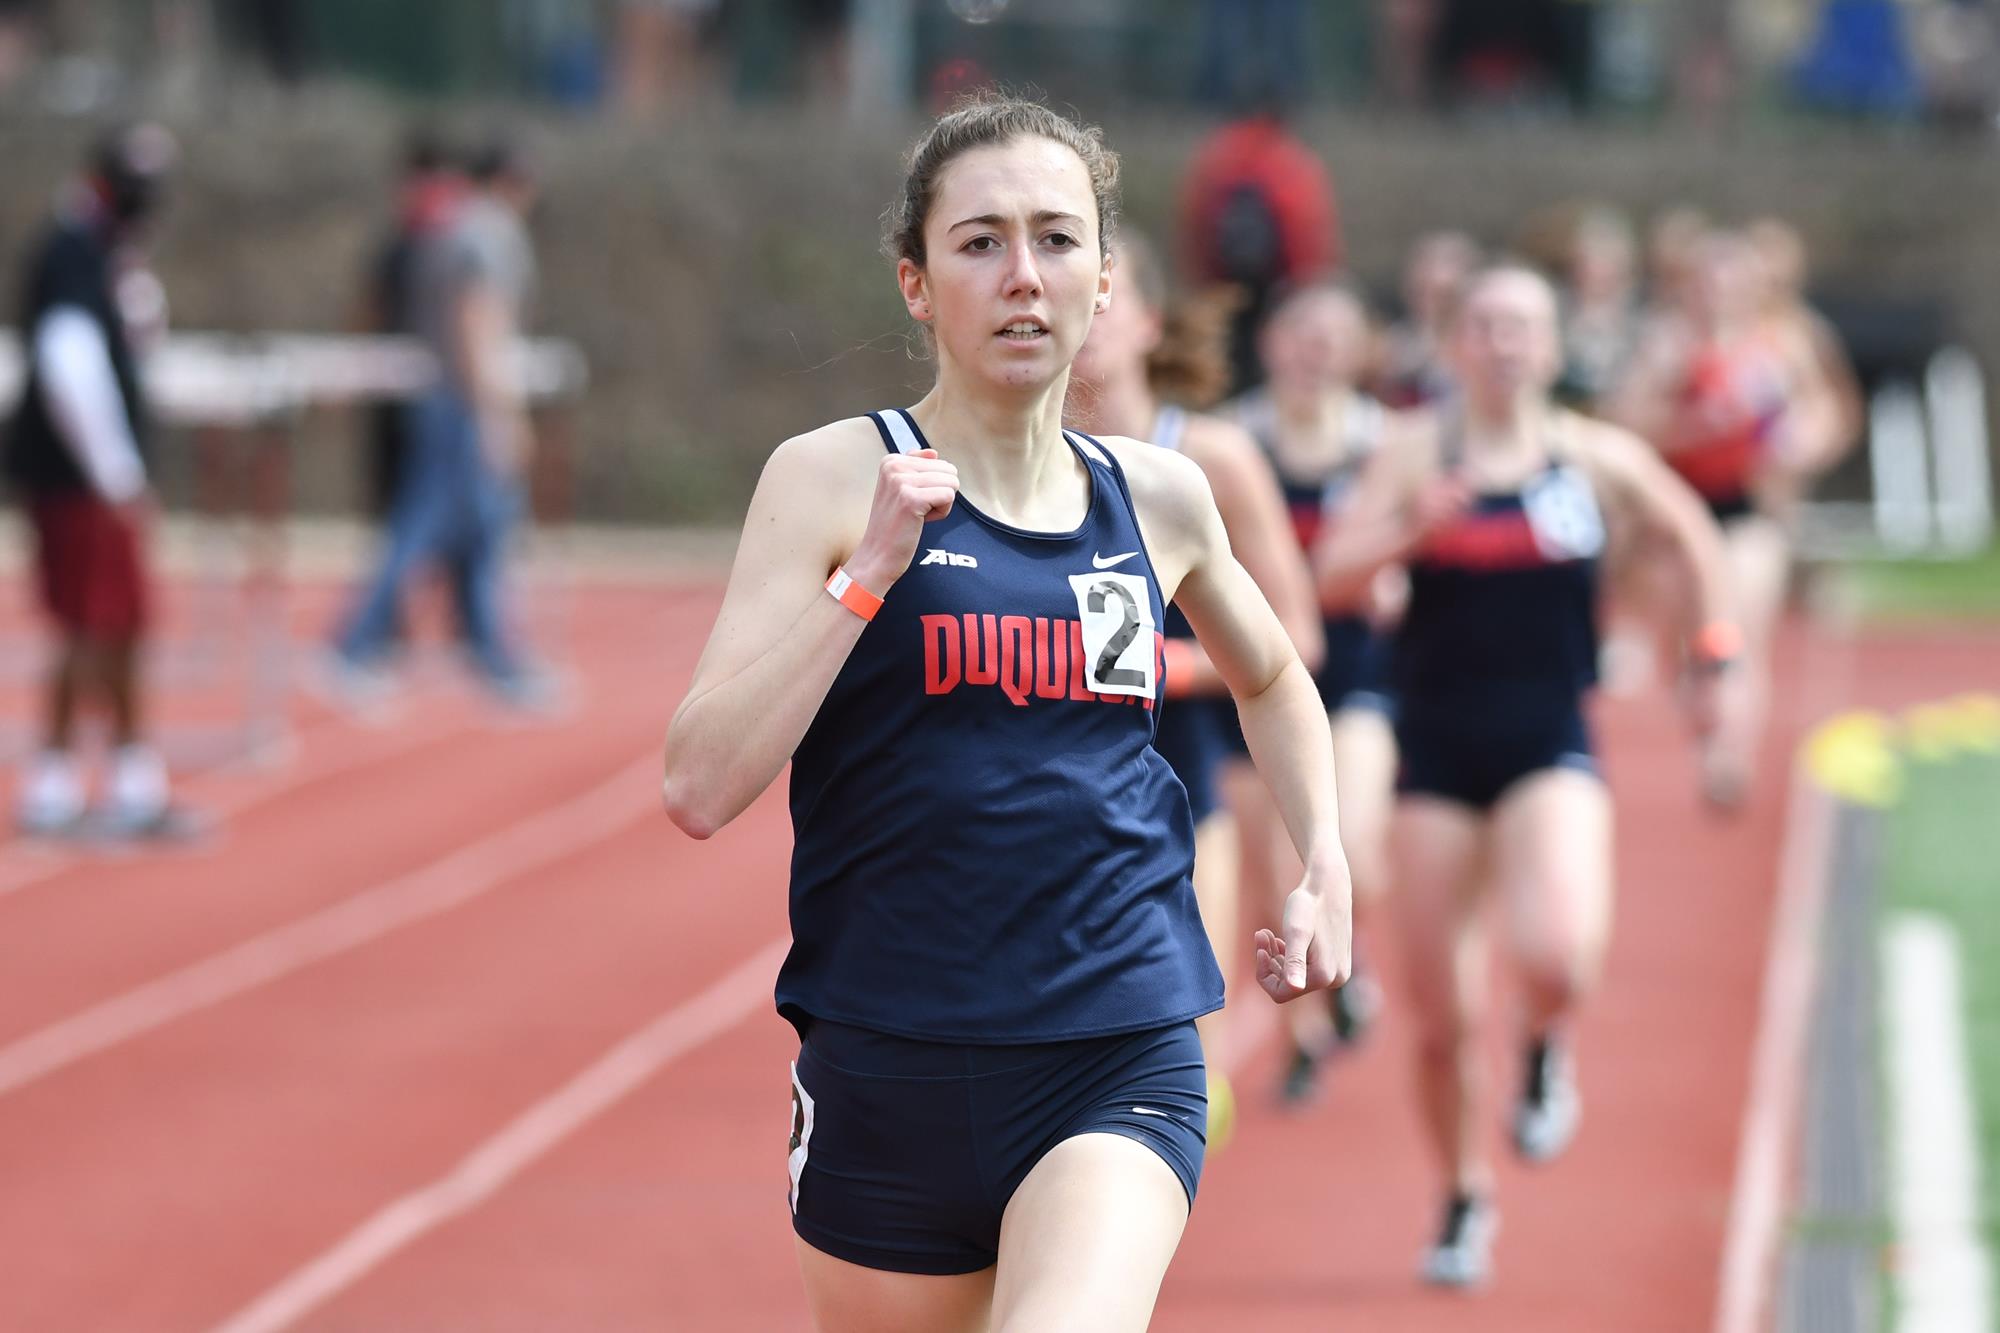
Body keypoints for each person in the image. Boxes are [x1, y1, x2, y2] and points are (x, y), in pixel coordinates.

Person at [661, 94, 1354, 1331]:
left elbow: (1273, 675)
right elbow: (699, 785)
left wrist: (1326, 863)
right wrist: (865, 576)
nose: (1021, 276)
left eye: (1055, 239)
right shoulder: (826, 477)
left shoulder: (1158, 495)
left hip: (1115, 1040)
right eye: (979, 242)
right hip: (887, 1054)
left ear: (1101, 279)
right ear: (917, 284)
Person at [1317, 265, 1736, 1287]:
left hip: (1547, 738)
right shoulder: (1412, 451)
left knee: (1554, 953)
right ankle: (1461, 1195)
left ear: (1550, 348)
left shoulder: (1589, 457)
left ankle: (1544, 1042)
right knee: (1437, 1018)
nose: (1503, 344)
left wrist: (1712, 649)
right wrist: (1409, 528)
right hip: (1433, 750)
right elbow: (1329, 576)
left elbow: (1688, 532)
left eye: (1522, 328)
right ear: (1455, 344)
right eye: (1485, 327)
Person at [1066, 228, 1325, 1150]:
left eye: (1108, 293)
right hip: (1041, 795)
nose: (1087, 317)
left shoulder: (1208, 456)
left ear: (1149, 320)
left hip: (1183, 780)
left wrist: (1165, 665)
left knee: (1179, 1039)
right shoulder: (1008, 462)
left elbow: (1298, 637)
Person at [1228, 280, 1402, 1103]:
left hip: (1354, 674)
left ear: (1362, 352)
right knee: (1269, 863)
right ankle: (1303, 1033)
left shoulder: (1387, 444)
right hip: (1253, 679)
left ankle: (1352, 958)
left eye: (1334, 336)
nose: (1314, 350)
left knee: (1348, 840)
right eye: (1299, 331)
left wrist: (1398, 572)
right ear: (1270, 344)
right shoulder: (1230, 443)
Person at [5, 123, 196, 841]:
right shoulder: (72, 251)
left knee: (120, 623)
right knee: (90, 623)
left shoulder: (106, 254)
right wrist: (115, 471)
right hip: (77, 477)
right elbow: (68, 364)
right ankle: (54, 782)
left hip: (91, 476)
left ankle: (128, 776)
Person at [326, 136, 550, 708]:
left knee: (478, 531)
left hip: (444, 398)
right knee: (423, 528)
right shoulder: (486, 236)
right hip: (460, 403)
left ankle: (490, 653)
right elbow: (478, 326)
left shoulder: (451, 228)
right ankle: (356, 641)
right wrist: (499, 414)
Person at [1605, 228, 1814, 805]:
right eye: (1709, 282)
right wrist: (1693, 425)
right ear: (1691, 289)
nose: (1721, 293)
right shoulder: (1666, 346)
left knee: (1742, 627)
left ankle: (1730, 753)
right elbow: (1625, 425)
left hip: (1747, 507)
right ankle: (1704, 721)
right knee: (1694, 639)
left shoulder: (1780, 345)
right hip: (1679, 511)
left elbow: (1820, 411)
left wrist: (1797, 442)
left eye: (1733, 282)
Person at [1178, 96, 1340, 394]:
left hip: (1226, 283)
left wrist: (1203, 281)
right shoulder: (1291, 160)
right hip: (1275, 285)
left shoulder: (1218, 157)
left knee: (1232, 359)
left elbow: (1196, 226)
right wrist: (1302, 288)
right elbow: (1307, 234)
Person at [1376, 229, 1479, 408]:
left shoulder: (1484, 345)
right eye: (1422, 290)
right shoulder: (1389, 343)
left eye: (1444, 295)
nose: (1432, 305)